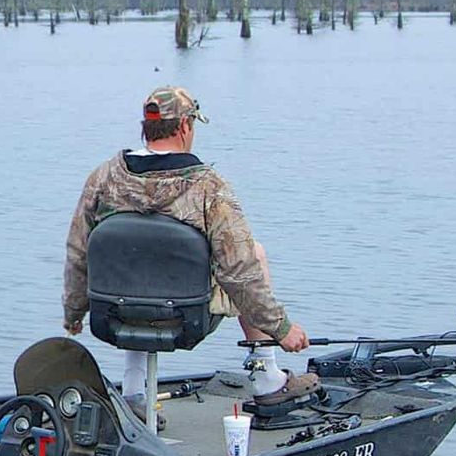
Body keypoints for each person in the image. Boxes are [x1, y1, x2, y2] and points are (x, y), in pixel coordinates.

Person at [63, 86, 316, 410]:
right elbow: (239, 271)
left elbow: (77, 252)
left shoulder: (104, 178)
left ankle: (133, 391)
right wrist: (281, 328)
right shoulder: (208, 187)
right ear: (185, 126)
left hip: (114, 316)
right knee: (253, 253)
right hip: (186, 319)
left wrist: (74, 313)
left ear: (147, 127)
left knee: (134, 257)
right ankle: (266, 377)